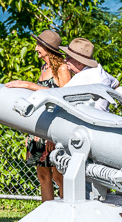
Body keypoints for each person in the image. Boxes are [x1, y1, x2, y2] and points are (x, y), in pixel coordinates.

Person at [5, 30, 72, 202]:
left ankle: (66, 214)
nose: (36, 49)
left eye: (39, 46)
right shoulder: (44, 67)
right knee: (43, 176)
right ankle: (47, 214)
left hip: (55, 129)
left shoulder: (62, 68)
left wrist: (28, 85)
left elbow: (65, 100)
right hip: (38, 127)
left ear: (49, 49)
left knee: (59, 175)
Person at [60, 37, 120, 112]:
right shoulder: (99, 71)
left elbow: (59, 96)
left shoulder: (83, 76)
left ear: (79, 62)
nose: (65, 60)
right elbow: (116, 83)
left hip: (86, 120)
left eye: (68, 57)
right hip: (103, 117)